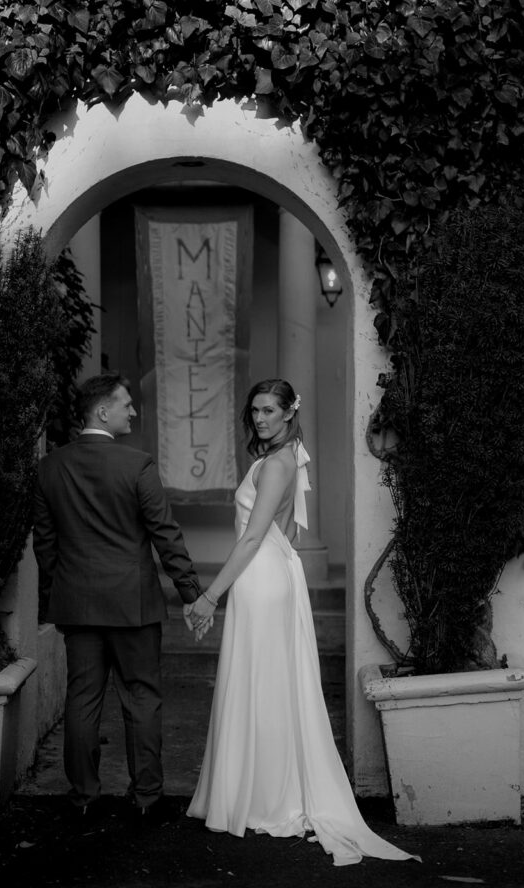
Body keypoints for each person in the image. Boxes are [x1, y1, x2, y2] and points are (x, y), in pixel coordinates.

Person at [186, 378, 418, 866]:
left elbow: (251, 540)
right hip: (272, 574)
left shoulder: (278, 463)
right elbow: (286, 530)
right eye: (254, 411)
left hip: (261, 577)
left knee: (262, 685)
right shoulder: (289, 458)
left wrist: (209, 596)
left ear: (290, 412)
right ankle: (260, 791)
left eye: (269, 410)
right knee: (267, 683)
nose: (260, 418)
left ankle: (264, 797)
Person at [33, 371, 203, 826]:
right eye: (126, 403)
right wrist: (191, 592)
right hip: (133, 604)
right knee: (142, 697)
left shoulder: (51, 467)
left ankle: (83, 795)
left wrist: (61, 589)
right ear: (102, 411)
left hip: (79, 603)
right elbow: (164, 533)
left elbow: (45, 546)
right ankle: (147, 797)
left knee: (82, 698)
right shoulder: (137, 465)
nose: (133, 410)